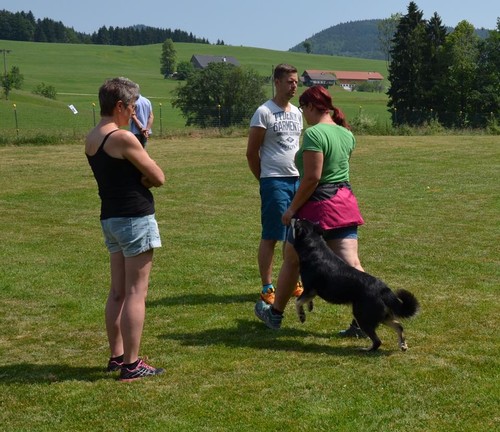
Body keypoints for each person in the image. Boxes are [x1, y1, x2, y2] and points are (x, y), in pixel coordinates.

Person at [255, 85, 367, 337]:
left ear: (311, 106)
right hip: (344, 203)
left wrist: (292, 209)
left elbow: (312, 178)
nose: (302, 113)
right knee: (352, 263)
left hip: (317, 207)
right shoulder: (346, 134)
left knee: (291, 259)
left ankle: (274, 314)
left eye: (303, 107)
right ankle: (363, 320)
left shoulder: (315, 134)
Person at [85, 77, 166, 382]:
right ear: (119, 105)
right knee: (135, 292)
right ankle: (132, 365)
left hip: (111, 218)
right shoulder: (123, 138)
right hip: (134, 217)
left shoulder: (93, 136)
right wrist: (146, 180)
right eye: (132, 106)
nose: (134, 112)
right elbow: (158, 176)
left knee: (117, 291)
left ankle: (117, 356)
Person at [246, 63, 304, 305]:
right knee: (272, 234)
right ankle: (267, 286)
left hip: (297, 180)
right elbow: (251, 153)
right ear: (277, 82)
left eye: (296, 82)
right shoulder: (264, 112)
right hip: (273, 180)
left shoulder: (298, 113)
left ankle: (292, 282)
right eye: (290, 82)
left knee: (296, 234)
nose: (294, 86)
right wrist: (265, 179)